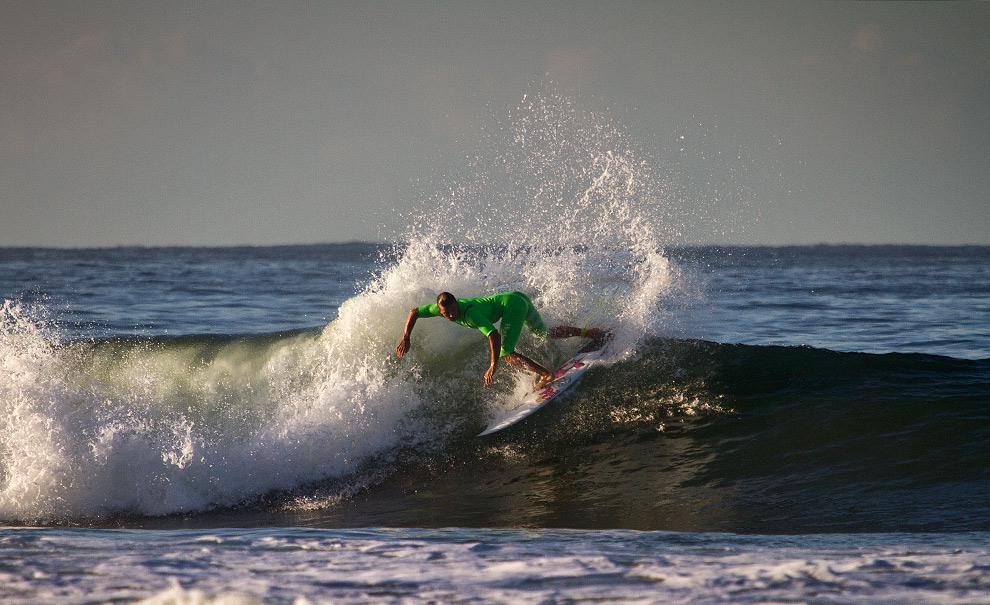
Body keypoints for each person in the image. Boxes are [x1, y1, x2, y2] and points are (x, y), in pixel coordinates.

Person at [396, 290, 602, 389]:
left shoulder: (469, 314)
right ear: (439, 310)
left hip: (513, 306)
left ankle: (546, 375)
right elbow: (414, 312)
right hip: (517, 297)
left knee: (505, 353)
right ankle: (589, 333)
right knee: (544, 333)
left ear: (456, 304)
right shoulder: (438, 309)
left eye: (452, 311)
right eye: (446, 313)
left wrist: (493, 364)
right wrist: (406, 337)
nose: (450, 316)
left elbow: (493, 335)